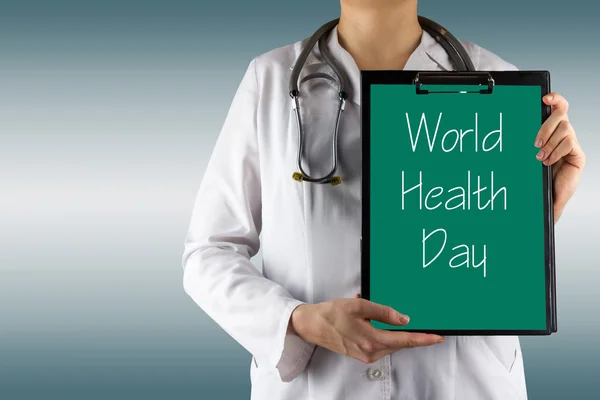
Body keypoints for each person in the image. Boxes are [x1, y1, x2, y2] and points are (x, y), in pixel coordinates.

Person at [181, 1, 586, 399]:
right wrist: (300, 321)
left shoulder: (498, 81)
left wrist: (537, 213)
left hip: (465, 385)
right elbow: (209, 252)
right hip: (320, 385)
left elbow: (488, 255)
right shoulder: (269, 81)